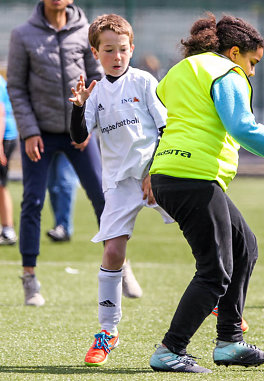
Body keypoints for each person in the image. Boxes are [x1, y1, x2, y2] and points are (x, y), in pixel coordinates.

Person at [148, 13, 264, 373]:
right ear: (234, 52)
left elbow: (164, 109)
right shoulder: (226, 73)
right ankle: (169, 350)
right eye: (252, 62)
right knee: (214, 271)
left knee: (245, 247)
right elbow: (243, 128)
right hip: (193, 177)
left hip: (170, 174)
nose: (252, 71)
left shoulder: (182, 70)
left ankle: (229, 342)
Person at [6, 0, 141, 306]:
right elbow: (16, 87)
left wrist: (87, 125)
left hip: (78, 132)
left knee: (103, 196)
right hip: (38, 134)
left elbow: (99, 79)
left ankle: (120, 266)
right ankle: (30, 278)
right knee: (33, 201)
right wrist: (28, 132)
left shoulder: (85, 31)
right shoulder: (22, 34)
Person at [69, 13, 174, 366]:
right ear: (96, 53)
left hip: (154, 175)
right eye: (109, 50)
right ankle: (107, 332)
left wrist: (155, 174)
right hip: (118, 184)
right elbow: (79, 138)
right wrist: (79, 107)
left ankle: (220, 304)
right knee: (113, 252)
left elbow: (164, 130)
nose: (117, 55)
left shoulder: (145, 82)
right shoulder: (96, 92)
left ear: (132, 48)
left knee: (201, 233)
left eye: (123, 49)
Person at [0, 74, 18, 246]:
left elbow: (1, 113)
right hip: (6, 137)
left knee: (1, 185)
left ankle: (8, 230)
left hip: (4, 137)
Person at [46, 152, 79, 242]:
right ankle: (58, 225)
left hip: (68, 142)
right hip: (49, 142)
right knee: (52, 186)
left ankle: (64, 228)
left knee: (65, 182)